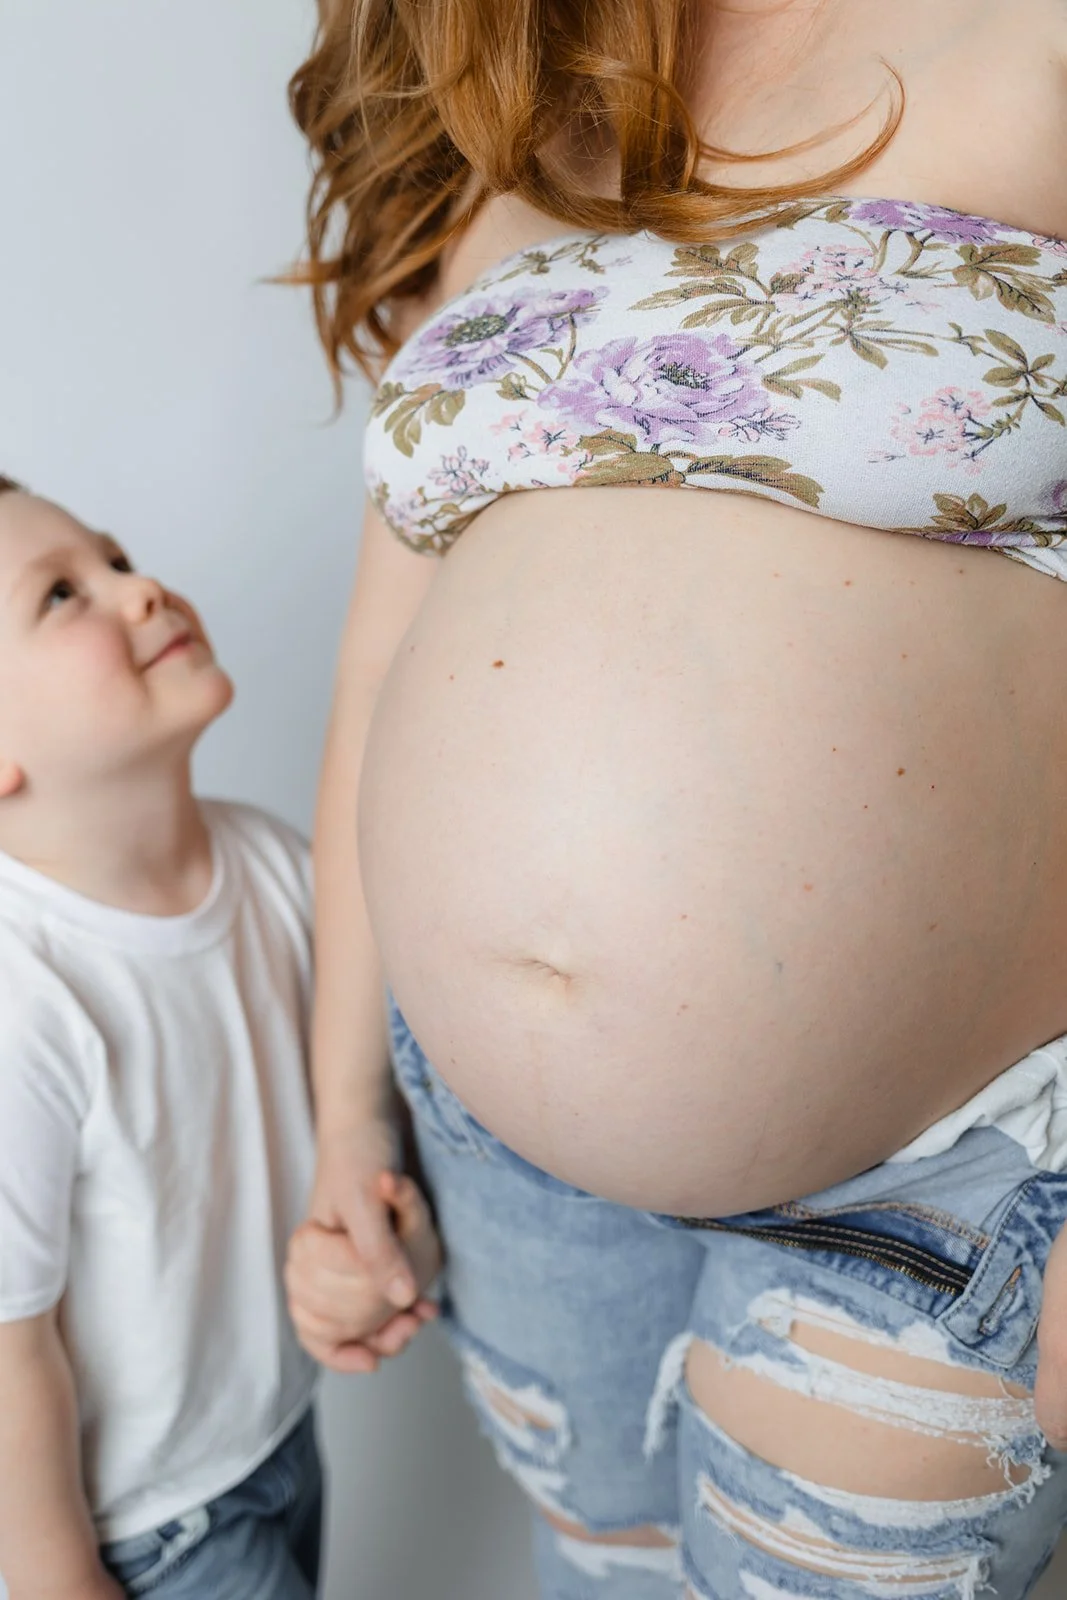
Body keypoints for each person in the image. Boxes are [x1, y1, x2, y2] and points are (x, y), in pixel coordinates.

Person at [283, 2, 1067, 1593]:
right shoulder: (528, 126)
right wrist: (340, 1119)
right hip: (496, 1153)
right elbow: (378, 673)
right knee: (602, 1574)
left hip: (937, 1175)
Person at [0, 480, 346, 1600]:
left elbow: (355, 1108)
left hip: (274, 1437)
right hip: (146, 1533)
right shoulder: (25, 995)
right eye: (61, 595)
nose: (139, 588)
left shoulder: (273, 868)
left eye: (114, 557)